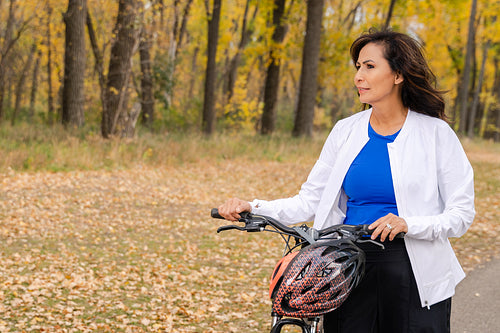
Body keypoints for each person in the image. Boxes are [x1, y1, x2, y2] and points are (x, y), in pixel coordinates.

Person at [217, 29, 474, 333]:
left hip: (413, 269)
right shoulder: (345, 131)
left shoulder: (435, 134)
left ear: (398, 75)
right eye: (358, 68)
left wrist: (408, 223)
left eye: (370, 66)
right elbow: (310, 200)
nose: (359, 76)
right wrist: (254, 206)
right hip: (347, 265)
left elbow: (461, 215)